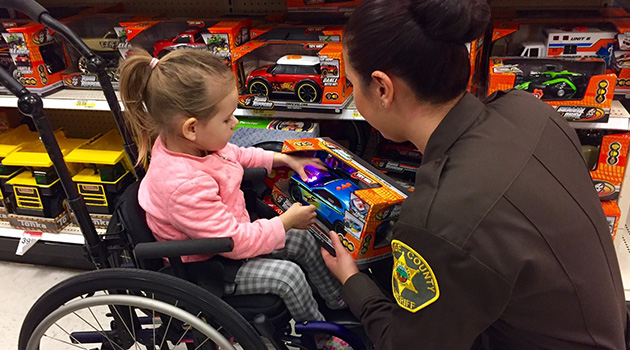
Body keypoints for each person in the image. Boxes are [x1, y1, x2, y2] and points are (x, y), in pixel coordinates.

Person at [321, 0, 629, 349]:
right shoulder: (530, 111)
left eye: (351, 84)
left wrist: (353, 281)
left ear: (381, 88)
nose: (353, 96)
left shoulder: (438, 220)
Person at [117, 48, 348, 338]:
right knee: (289, 277)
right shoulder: (184, 185)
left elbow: (234, 154)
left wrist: (285, 159)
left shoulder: (192, 144)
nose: (235, 123)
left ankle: (337, 304)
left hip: (230, 236)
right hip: (210, 267)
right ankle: (323, 338)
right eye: (227, 119)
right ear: (191, 128)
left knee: (301, 240)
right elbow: (235, 243)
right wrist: (286, 220)